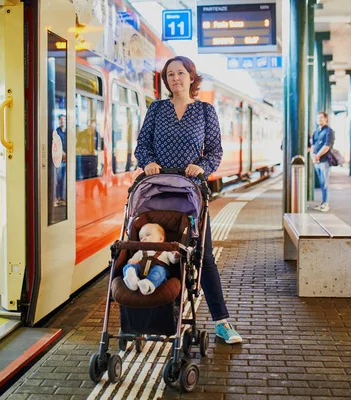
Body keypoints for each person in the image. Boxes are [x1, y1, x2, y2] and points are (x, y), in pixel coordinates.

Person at [134, 55, 242, 344]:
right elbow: (142, 145)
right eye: (170, 75)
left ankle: (222, 322)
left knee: (203, 257)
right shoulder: (156, 110)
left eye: (180, 73)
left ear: (192, 77)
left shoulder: (205, 111)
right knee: (152, 248)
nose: (175, 79)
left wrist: (202, 167)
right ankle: (145, 316)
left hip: (191, 194)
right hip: (157, 193)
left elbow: (215, 152)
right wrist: (147, 162)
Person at [123, 223, 179, 295]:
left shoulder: (165, 250)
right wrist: (132, 261)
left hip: (158, 267)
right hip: (141, 268)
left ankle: (148, 284)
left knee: (160, 272)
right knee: (128, 267)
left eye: (148, 235)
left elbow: (173, 260)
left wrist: (175, 256)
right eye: (141, 237)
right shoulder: (141, 251)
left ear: (160, 239)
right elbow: (132, 260)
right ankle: (131, 279)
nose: (144, 238)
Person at [310, 111, 334, 212]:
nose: (319, 119)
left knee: (325, 182)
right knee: (321, 182)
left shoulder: (329, 131)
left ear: (326, 119)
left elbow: (327, 146)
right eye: (318, 118)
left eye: (321, 117)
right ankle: (323, 202)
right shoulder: (316, 132)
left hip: (324, 161)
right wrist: (313, 156)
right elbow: (313, 145)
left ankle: (326, 203)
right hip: (317, 161)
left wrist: (317, 156)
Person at [55, 114, 67, 206]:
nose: (62, 121)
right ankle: (57, 198)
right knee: (58, 179)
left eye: (63, 119)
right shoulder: (57, 132)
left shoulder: (68, 132)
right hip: (59, 159)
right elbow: (56, 145)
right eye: (61, 120)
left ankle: (63, 198)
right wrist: (63, 153)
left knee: (64, 179)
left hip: (67, 160)